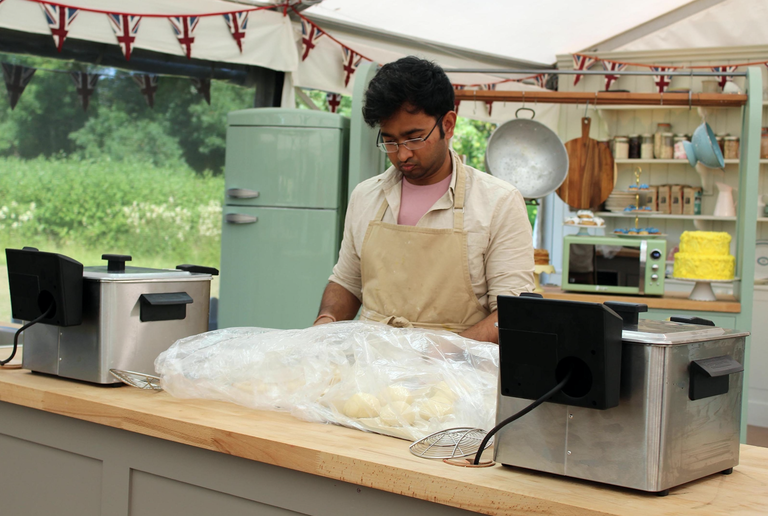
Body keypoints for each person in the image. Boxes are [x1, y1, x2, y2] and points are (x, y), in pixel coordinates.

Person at [313, 56, 534, 343]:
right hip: (373, 372)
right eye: (390, 141)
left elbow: (511, 314)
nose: (402, 154)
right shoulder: (365, 196)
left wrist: (437, 356)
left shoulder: (498, 202)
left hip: (458, 377)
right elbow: (347, 283)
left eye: (414, 138)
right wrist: (326, 320)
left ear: (449, 125)